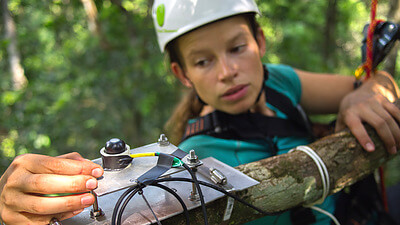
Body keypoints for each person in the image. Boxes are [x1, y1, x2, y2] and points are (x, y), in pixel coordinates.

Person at [0, 0, 399, 224]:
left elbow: (367, 85)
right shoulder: (201, 159)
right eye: (204, 62)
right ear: (183, 74)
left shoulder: (280, 82)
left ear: (259, 41)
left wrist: (367, 92)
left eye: (237, 48)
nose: (228, 72)